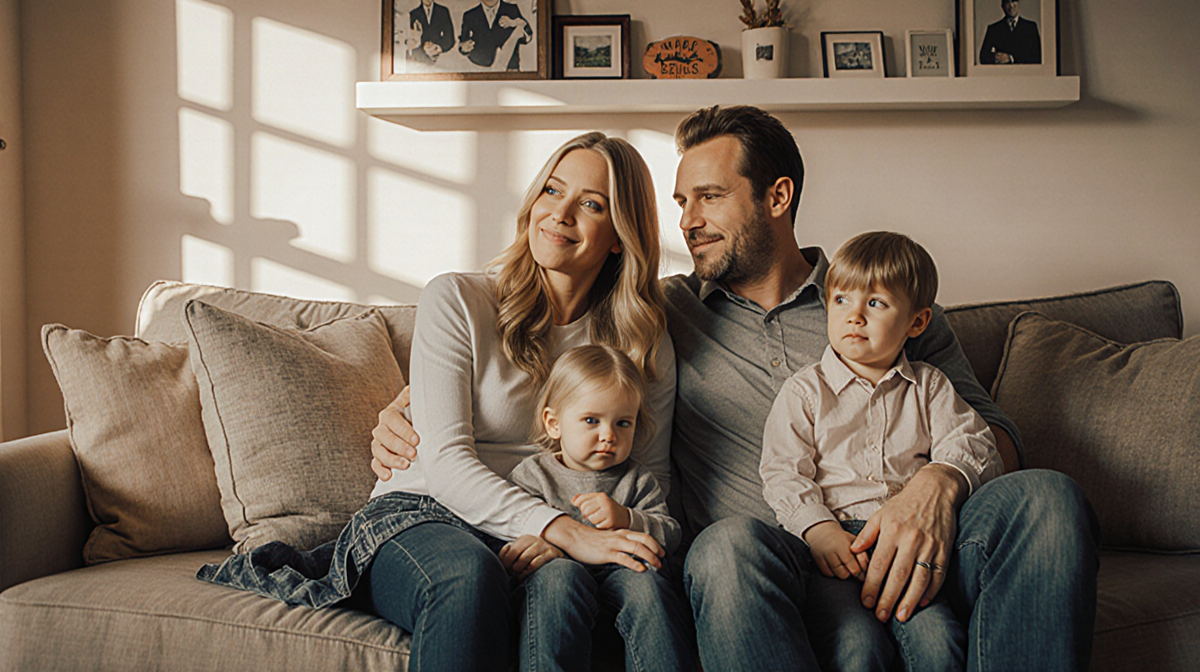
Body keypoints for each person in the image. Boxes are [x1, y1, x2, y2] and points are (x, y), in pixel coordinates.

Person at [373, 105, 1100, 671]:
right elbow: (568, 368)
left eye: (710, 198)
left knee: (1049, 495)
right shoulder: (660, 314)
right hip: (770, 553)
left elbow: (998, 437)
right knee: (722, 549)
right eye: (682, 201)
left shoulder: (875, 305)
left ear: (777, 196)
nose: (687, 221)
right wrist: (411, 403)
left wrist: (938, 485)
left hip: (909, 536)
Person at [199, 131, 676, 672]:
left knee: (633, 587)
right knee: (467, 577)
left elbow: (652, 478)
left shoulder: (642, 336)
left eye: (590, 204)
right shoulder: (458, 300)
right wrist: (561, 530)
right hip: (423, 514)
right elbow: (447, 466)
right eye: (551, 190)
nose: (560, 213)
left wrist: (570, 536)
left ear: (620, 235)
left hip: (546, 528)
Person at [760, 231, 1000, 672]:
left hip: (909, 544)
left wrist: (939, 481)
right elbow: (782, 471)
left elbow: (974, 442)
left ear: (917, 322)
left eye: (875, 304)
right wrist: (817, 530)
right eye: (841, 300)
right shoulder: (805, 391)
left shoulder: (929, 386)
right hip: (835, 546)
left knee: (939, 641)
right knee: (856, 646)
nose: (854, 316)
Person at [506, 343, 694, 671]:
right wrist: (540, 544)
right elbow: (508, 534)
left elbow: (670, 533)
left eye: (623, 423)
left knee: (648, 586)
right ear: (554, 423)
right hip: (559, 579)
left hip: (622, 577)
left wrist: (627, 518)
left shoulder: (635, 479)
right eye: (591, 420)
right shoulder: (534, 476)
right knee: (556, 579)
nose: (608, 435)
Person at [459, 0, 531, 70]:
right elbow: (463, 43)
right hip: (479, 68)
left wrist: (516, 23)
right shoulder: (469, 15)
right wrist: (464, 48)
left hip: (509, 68)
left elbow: (527, 38)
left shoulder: (511, 9)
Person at [979, 0, 1042, 64]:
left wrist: (1011, 58)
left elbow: (1037, 56)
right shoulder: (993, 29)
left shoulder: (1030, 28)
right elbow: (983, 57)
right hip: (1002, 72)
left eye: (1014, 1)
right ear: (1002, 6)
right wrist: (996, 57)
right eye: (1007, 2)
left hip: (1025, 72)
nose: (1011, 5)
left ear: (1018, 3)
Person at [405, 0, 455, 65]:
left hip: (441, 58)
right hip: (419, 59)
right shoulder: (413, 14)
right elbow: (409, 40)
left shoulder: (443, 11)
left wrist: (438, 47)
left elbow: (450, 38)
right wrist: (423, 47)